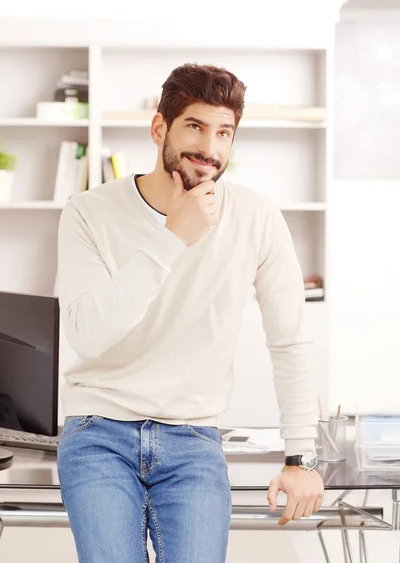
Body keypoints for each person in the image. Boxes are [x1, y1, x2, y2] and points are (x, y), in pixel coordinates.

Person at [56, 63, 324, 563]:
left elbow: (289, 341)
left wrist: (301, 457)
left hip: (193, 438)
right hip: (98, 431)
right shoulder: (88, 212)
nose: (211, 148)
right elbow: (88, 335)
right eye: (196, 127)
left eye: (224, 132)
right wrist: (172, 237)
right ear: (160, 128)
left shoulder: (258, 217)